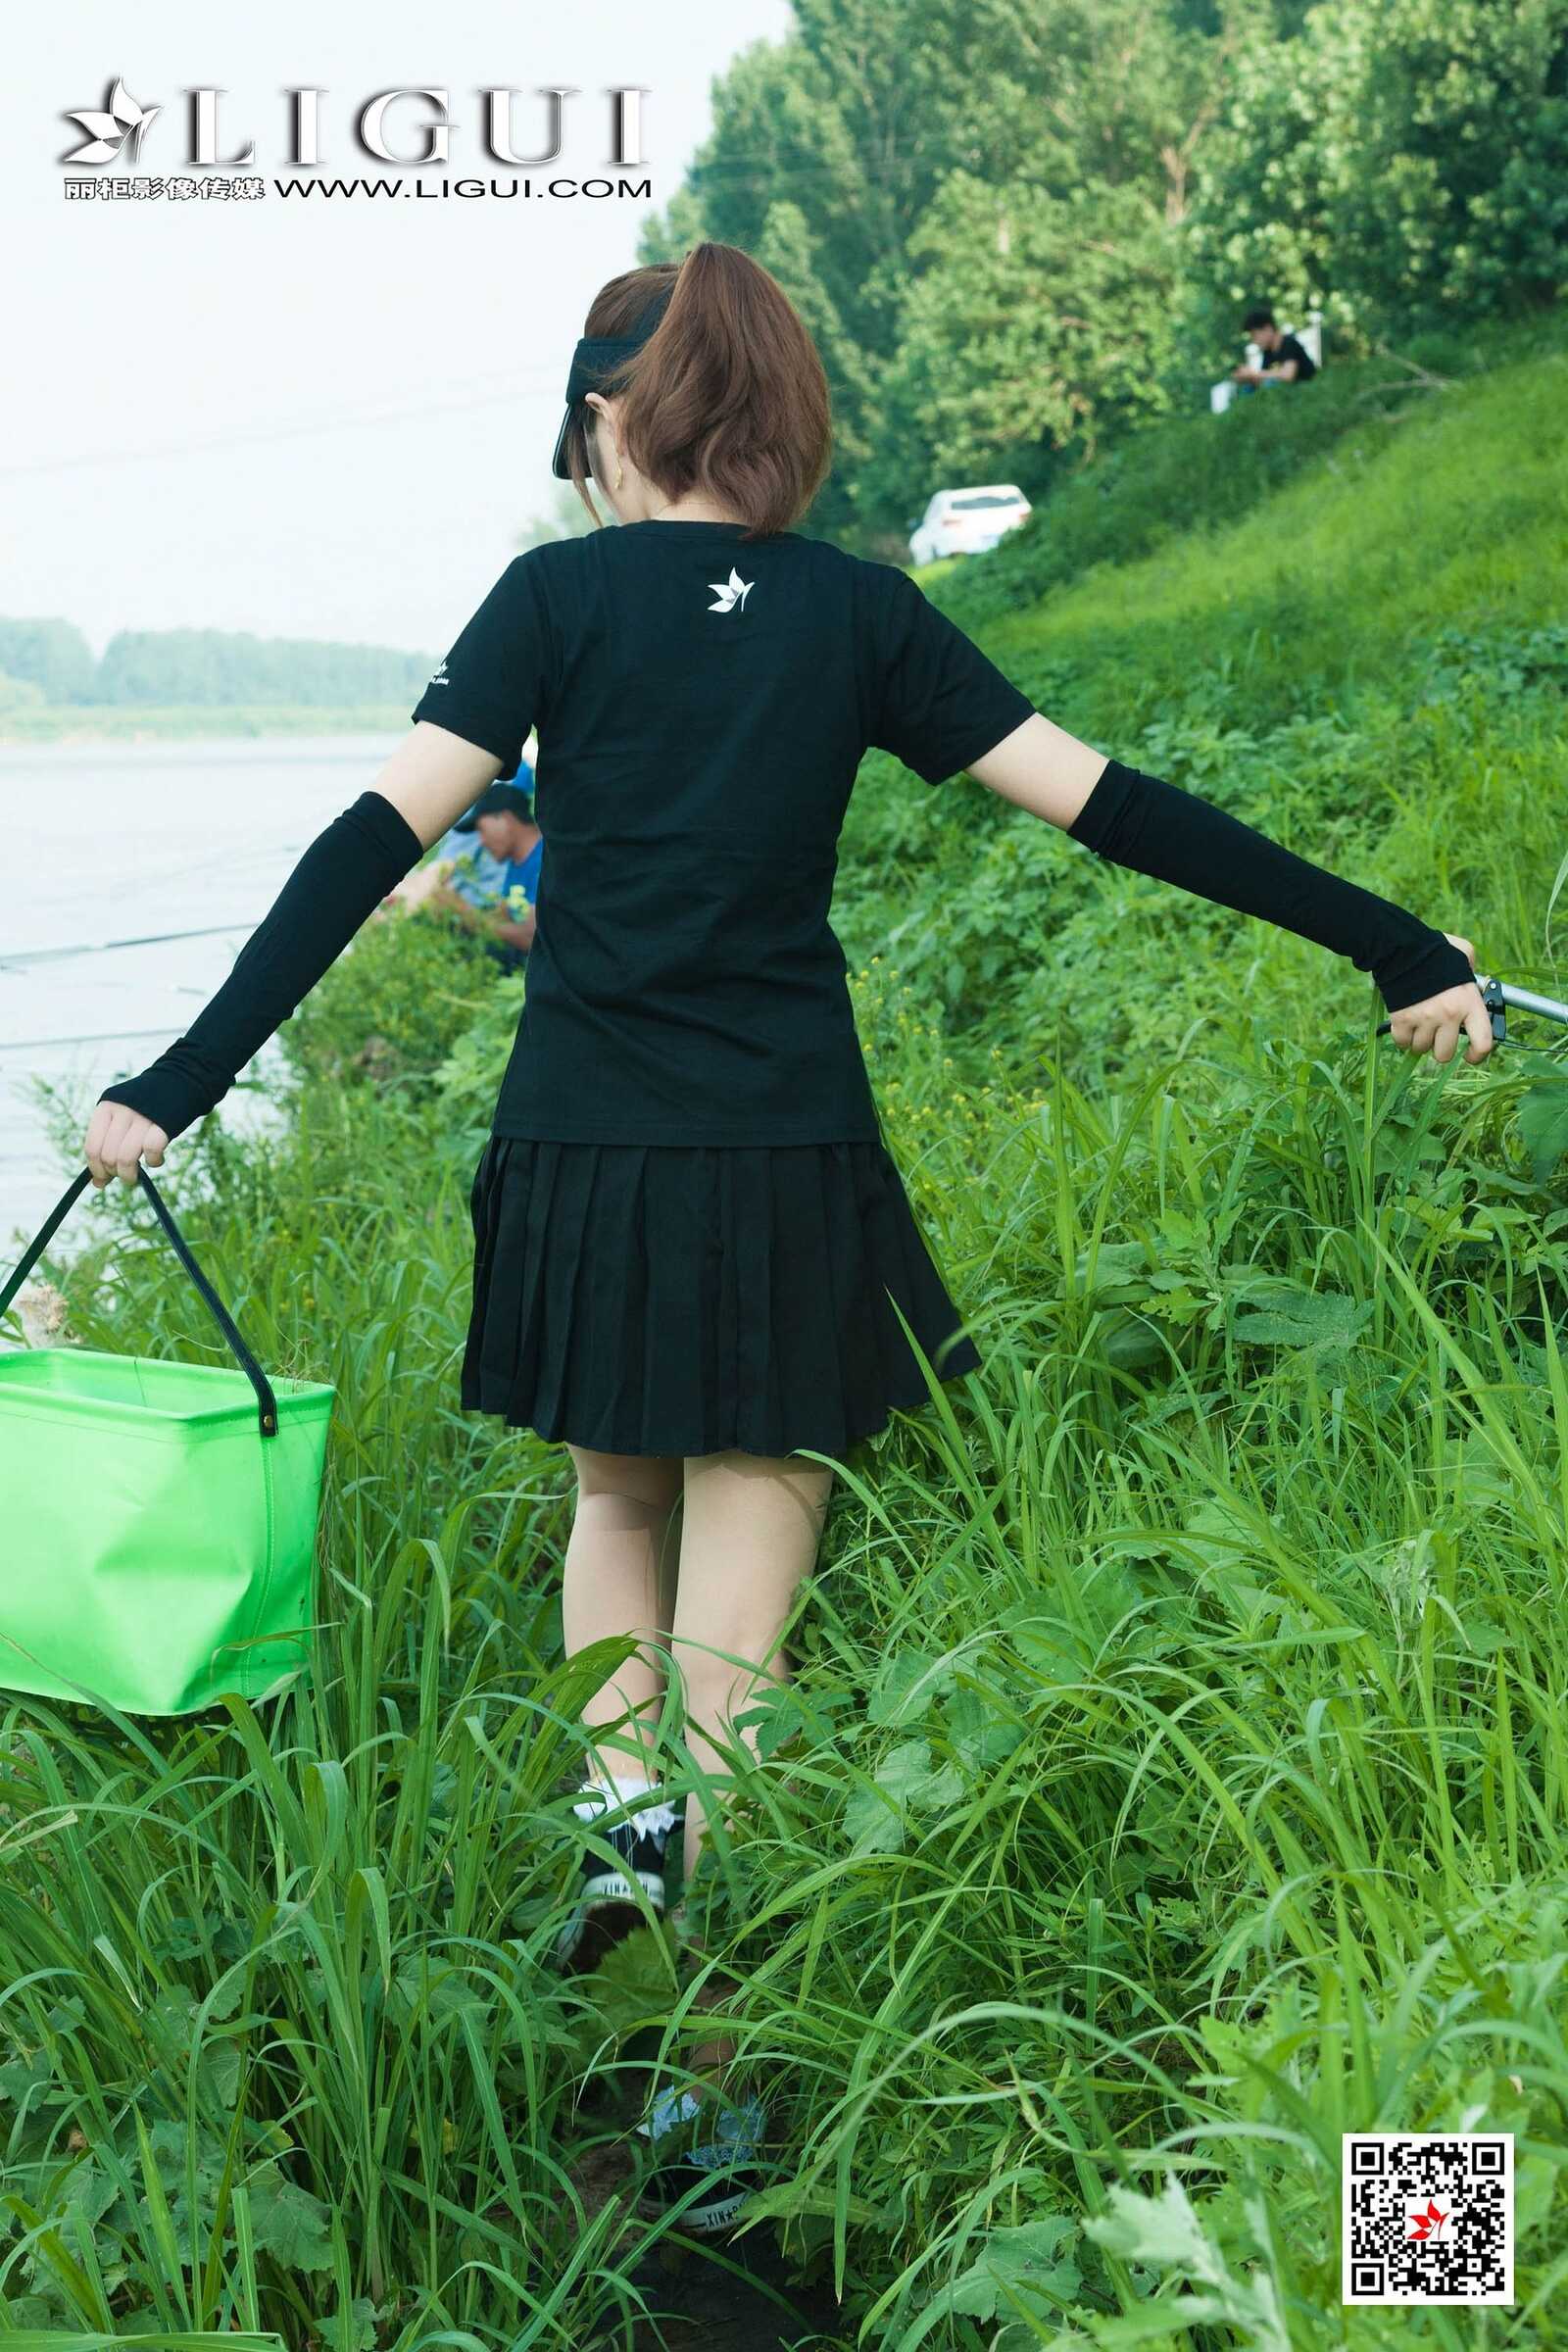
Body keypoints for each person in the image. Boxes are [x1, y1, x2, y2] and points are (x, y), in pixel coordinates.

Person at [83, 240, 1493, 2237]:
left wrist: (178, 1080)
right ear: (781, 417)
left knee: (616, 1497)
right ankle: (712, 2015)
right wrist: (1394, 943)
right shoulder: (857, 612)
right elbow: (1116, 810)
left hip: (583, 1137)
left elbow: (363, 845)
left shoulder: (551, 602)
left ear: (610, 418)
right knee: (749, 1557)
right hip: (778, 1141)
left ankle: (620, 1837)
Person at [421, 778, 543, 974]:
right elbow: (502, 919)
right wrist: (453, 914)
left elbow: (532, 937)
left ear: (504, 819)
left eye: (481, 830)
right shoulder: (515, 864)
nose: (482, 841)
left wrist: (463, 910)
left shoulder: (544, 859)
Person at [1233, 304, 1318, 389]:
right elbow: (1264, 378)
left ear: (1268, 328)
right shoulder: (1268, 351)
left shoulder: (1288, 343)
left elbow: (1288, 375)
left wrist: (1254, 373)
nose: (1254, 341)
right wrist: (1248, 377)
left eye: (1255, 336)